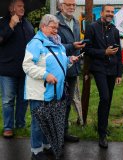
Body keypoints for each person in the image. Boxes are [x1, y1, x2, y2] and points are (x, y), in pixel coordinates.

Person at [22, 14, 79, 160]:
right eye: (53, 27)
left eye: (57, 28)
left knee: (50, 120)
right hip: (40, 91)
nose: (56, 31)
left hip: (55, 91)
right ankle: (36, 151)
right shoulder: (35, 44)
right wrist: (45, 74)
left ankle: (47, 146)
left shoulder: (57, 43)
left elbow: (60, 63)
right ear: (43, 27)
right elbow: (27, 65)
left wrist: (69, 60)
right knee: (38, 123)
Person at [84, 4, 122, 148]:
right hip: (99, 68)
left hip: (112, 70)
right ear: (101, 13)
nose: (110, 14)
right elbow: (87, 49)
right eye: (108, 11)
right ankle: (101, 134)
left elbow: (118, 53)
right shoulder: (92, 27)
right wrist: (103, 53)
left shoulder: (115, 30)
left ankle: (103, 128)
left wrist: (119, 73)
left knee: (108, 100)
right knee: (104, 97)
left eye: (112, 12)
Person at [0, 0, 35, 138]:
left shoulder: (27, 23)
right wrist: (11, 25)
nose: (22, 8)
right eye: (19, 6)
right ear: (11, 8)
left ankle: (20, 124)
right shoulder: (3, 22)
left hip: (25, 69)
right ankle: (8, 127)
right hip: (7, 69)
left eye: (23, 6)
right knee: (8, 100)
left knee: (23, 99)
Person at [56, 0, 85, 142]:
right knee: (57, 102)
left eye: (74, 4)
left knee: (67, 102)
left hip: (72, 68)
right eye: (69, 4)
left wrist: (80, 47)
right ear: (61, 5)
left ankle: (64, 132)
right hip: (58, 69)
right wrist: (71, 46)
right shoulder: (54, 21)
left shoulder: (76, 21)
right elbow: (53, 45)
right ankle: (56, 134)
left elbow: (76, 44)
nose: (72, 7)